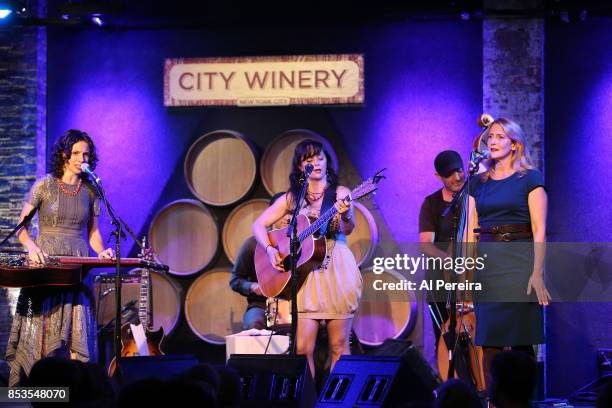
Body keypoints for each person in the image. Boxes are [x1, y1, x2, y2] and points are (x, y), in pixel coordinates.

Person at [6, 129, 114, 386]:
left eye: (86, 154)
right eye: (76, 153)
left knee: (78, 334)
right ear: (64, 154)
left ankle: (76, 394)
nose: (82, 158)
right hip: (46, 268)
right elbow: (20, 226)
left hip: (77, 269)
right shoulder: (45, 185)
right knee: (40, 334)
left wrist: (101, 252)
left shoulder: (91, 190)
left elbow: (94, 233)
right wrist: (31, 247)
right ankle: (37, 392)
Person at [252, 139, 362, 377]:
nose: (316, 163)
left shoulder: (340, 193)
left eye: (320, 158)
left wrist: (346, 214)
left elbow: (349, 228)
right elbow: (258, 225)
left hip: (337, 266)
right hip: (305, 273)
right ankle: (308, 399)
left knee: (339, 346)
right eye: (309, 160)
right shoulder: (293, 197)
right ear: (301, 166)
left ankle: (338, 404)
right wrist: (271, 250)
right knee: (302, 348)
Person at [466, 117, 550, 389]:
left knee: (521, 341)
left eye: (500, 137)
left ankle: (521, 400)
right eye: (490, 136)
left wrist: (537, 274)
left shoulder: (530, 178)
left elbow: (539, 229)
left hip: (519, 265)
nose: (492, 141)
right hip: (488, 267)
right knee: (489, 341)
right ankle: (494, 400)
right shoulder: (477, 183)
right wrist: (467, 274)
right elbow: (470, 230)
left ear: (515, 144)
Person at [418, 150, 465, 346]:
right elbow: (426, 245)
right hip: (440, 279)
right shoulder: (432, 203)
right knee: (444, 338)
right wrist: (448, 259)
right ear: (438, 176)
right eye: (449, 174)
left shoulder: (473, 198)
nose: (457, 177)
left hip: (469, 278)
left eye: (460, 170)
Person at [229, 192, 288, 330]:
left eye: (291, 212)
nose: (288, 217)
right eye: (283, 212)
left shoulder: (299, 243)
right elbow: (235, 280)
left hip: (295, 305)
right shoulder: (253, 244)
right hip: (262, 305)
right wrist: (253, 287)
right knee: (254, 323)